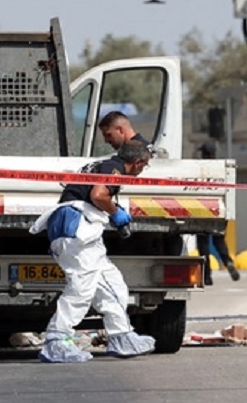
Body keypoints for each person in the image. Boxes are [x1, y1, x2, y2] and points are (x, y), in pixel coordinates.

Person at [29, 140, 157, 363]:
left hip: (78, 228)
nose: (143, 170)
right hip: (77, 226)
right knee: (81, 288)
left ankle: (121, 336)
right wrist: (116, 212)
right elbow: (99, 195)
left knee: (112, 284)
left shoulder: (102, 165)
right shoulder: (114, 169)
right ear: (137, 163)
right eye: (144, 166)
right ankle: (56, 341)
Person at [194, 140, 240, 284]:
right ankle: (228, 262)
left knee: (203, 246)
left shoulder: (197, 168)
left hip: (201, 211)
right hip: (218, 210)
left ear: (203, 154)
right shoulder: (221, 168)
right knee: (219, 240)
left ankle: (207, 276)